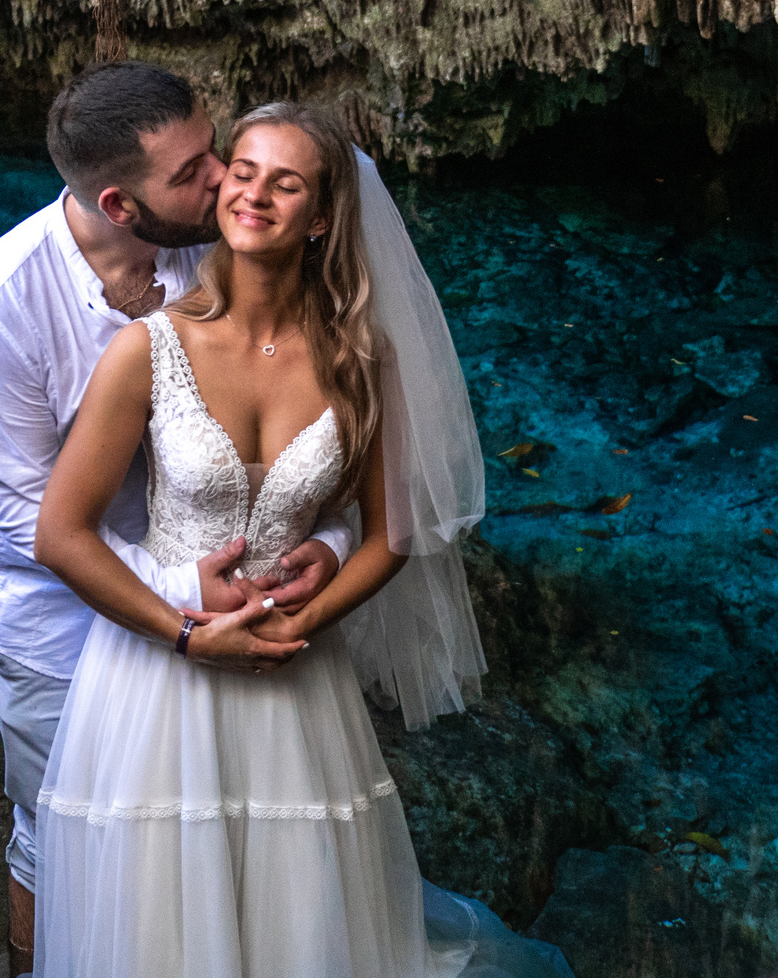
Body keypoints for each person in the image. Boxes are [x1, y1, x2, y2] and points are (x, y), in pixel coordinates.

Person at [30, 102, 494, 977]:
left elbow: (392, 534)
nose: (253, 193)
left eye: (286, 183)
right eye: (242, 170)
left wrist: (308, 616)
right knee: (160, 924)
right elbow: (61, 534)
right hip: (159, 675)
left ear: (321, 217)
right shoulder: (147, 350)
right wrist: (188, 632)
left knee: (297, 923)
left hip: (294, 674)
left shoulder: (361, 360)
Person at [0, 64, 353, 976]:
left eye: (213, 149)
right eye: (192, 172)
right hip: (59, 621)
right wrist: (181, 594)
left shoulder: (217, 249)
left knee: (221, 831)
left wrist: (323, 542)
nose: (222, 179)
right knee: (58, 829)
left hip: (224, 597)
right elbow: (20, 519)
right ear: (119, 205)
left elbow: (311, 434)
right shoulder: (0, 303)